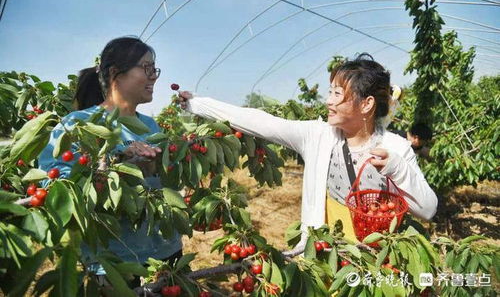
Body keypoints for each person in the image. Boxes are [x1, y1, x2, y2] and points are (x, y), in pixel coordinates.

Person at [178, 53, 438, 245]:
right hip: (325, 259)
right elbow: (260, 121)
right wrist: (199, 104)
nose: (328, 101)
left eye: (337, 94)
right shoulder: (317, 136)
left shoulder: (396, 148)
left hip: (373, 268)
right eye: (330, 92)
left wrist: (396, 168)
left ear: (366, 104)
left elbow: (427, 210)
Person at [38, 36, 182, 286]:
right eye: (146, 68)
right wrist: (118, 165)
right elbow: (57, 190)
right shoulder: (77, 125)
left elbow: (164, 185)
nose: (154, 76)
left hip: (166, 253)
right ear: (116, 72)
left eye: (154, 69)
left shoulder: (150, 126)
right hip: (116, 263)